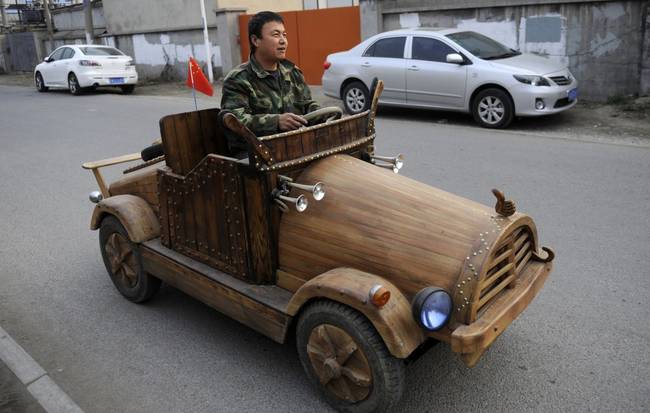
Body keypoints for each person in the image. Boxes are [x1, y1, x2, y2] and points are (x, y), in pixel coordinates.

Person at [221, 11, 320, 153]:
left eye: (284, 35)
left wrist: (321, 113)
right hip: (255, 156)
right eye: (275, 35)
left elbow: (306, 105)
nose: (283, 41)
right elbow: (235, 122)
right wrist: (276, 122)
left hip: (294, 148)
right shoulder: (238, 79)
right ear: (256, 41)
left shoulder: (292, 72)